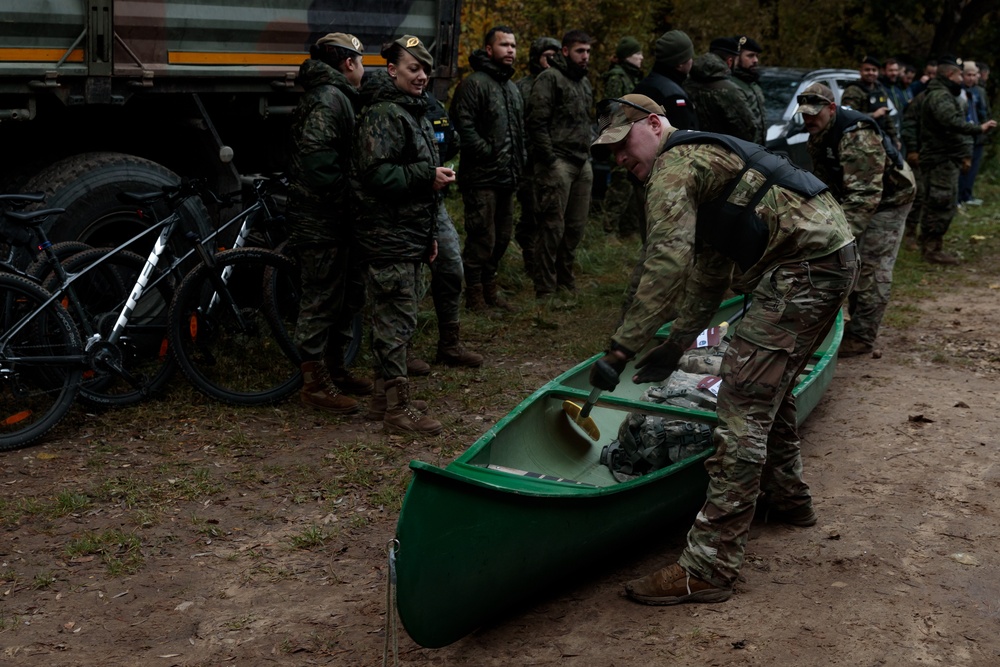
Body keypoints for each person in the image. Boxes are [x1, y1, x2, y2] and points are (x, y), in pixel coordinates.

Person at [587, 94, 858, 606]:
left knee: (740, 406)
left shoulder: (674, 166)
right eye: (611, 153)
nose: (619, 159)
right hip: (828, 257)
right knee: (764, 388)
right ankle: (787, 497)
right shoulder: (704, 163)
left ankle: (709, 567)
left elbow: (666, 265)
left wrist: (621, 350)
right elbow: (708, 272)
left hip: (804, 269)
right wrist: (677, 343)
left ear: (652, 124)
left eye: (623, 145)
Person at [353, 35, 462, 435]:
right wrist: (426, 175)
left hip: (408, 233)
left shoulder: (410, 110)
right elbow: (376, 175)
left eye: (426, 69)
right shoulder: (384, 113)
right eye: (413, 68)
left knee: (395, 320)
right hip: (387, 234)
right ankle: (398, 412)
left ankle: (382, 402)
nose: (422, 76)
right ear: (392, 69)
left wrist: (427, 234)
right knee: (395, 324)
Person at [797, 83, 916, 357]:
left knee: (871, 265)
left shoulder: (857, 136)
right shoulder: (819, 132)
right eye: (804, 115)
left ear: (831, 109)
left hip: (890, 199)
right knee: (848, 261)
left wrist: (839, 237)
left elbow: (865, 195)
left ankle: (862, 335)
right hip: (858, 195)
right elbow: (825, 181)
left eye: (815, 113)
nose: (809, 120)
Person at [286, 32, 370, 415]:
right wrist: (347, 200)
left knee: (345, 295)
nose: (364, 69)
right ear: (348, 63)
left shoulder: (338, 96)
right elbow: (318, 164)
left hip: (337, 218)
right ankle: (314, 383)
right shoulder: (328, 98)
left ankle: (336, 369)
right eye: (362, 61)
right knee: (320, 299)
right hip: (321, 220)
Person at [450, 25, 526, 312]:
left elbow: (519, 130)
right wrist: (486, 152)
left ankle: (490, 289)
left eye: (514, 45)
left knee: (502, 237)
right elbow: (462, 125)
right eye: (504, 45)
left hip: (508, 175)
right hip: (481, 176)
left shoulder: (511, 87)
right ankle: (474, 295)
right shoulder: (474, 84)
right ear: (489, 49)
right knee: (482, 237)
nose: (510, 50)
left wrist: (521, 159)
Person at [525, 29, 594, 303]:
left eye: (588, 52)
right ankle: (545, 287)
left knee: (575, 227)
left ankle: (566, 278)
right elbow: (536, 122)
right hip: (558, 162)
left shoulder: (583, 82)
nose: (585, 56)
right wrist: (550, 160)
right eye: (580, 51)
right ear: (565, 51)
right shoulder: (550, 78)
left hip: (581, 161)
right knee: (552, 226)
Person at [915, 57, 996, 264]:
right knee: (941, 202)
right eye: (960, 74)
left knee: (942, 201)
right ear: (950, 75)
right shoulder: (940, 96)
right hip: (939, 159)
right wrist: (979, 128)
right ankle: (931, 249)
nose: (962, 78)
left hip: (944, 158)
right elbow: (951, 122)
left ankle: (930, 245)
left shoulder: (942, 94)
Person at [514, 36, 560, 281]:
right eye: (547, 56)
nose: (551, 61)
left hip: (554, 160)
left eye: (555, 56)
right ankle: (531, 261)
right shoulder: (522, 87)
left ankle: (549, 264)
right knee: (531, 213)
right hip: (530, 163)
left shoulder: (561, 83)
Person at [599, 36, 645, 238]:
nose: (641, 57)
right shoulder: (617, 78)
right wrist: (612, 138)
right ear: (627, 56)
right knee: (619, 186)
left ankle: (628, 230)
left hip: (632, 140)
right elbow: (608, 109)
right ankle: (609, 231)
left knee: (633, 185)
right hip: (619, 140)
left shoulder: (632, 76)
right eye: (637, 53)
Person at [683, 36, 758, 140]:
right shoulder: (729, 90)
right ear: (729, 61)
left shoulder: (686, 82)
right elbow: (748, 129)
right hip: (723, 151)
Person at [632, 30, 698, 130]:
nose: (692, 61)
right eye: (689, 57)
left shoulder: (644, 86)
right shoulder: (673, 96)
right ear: (680, 63)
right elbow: (686, 137)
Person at [842, 55, 900, 149]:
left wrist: (894, 138)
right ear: (860, 71)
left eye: (874, 70)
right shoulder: (853, 90)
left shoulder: (879, 89)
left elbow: (886, 115)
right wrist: (873, 115)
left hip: (880, 138)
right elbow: (848, 117)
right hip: (860, 142)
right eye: (867, 70)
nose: (871, 73)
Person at [958, 61, 989, 206]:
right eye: (968, 75)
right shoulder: (957, 91)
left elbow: (984, 111)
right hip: (963, 136)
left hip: (978, 135)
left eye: (973, 75)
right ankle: (957, 197)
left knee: (973, 167)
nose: (971, 78)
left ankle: (967, 195)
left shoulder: (979, 91)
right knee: (961, 167)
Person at [731, 36, 767, 144]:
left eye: (756, 56)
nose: (755, 60)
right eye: (750, 56)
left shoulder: (753, 83)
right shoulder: (731, 85)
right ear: (737, 57)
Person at [880, 57, 908, 137]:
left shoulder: (898, 89)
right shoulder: (880, 89)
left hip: (899, 131)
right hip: (885, 133)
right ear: (883, 71)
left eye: (896, 70)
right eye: (891, 70)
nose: (894, 73)